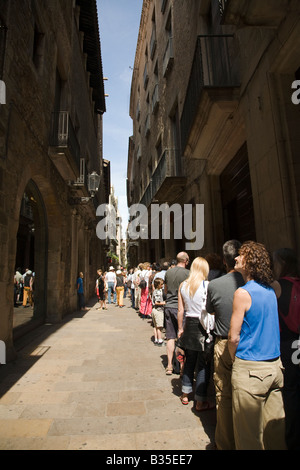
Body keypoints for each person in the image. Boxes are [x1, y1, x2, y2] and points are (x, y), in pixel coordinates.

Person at [228, 241, 286, 450]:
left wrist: (234, 359)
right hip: (275, 368)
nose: (236, 258)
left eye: (241, 255)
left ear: (250, 262)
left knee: (249, 438)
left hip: (251, 369)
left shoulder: (242, 294)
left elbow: (233, 337)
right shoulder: (273, 289)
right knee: (275, 434)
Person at [206, 240, 244, 450]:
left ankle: (226, 443)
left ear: (224, 261)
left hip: (223, 344)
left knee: (224, 395)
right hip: (249, 345)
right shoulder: (254, 282)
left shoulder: (214, 285)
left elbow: (210, 311)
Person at [272, 248, 300, 450]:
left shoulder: (277, 286)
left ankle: (291, 437)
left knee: (289, 391)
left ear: (281, 263)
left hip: (286, 343)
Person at [177, 257, 214, 410]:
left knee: (189, 361)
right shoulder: (208, 285)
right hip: (204, 327)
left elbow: (181, 311)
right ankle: (200, 400)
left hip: (189, 326)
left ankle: (185, 394)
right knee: (203, 364)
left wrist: (180, 328)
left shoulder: (183, 285)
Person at [164, 252, 190, 375]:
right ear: (186, 260)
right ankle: (181, 365)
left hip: (169, 306)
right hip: (181, 308)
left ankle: (169, 365)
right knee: (182, 337)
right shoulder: (188, 273)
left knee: (170, 337)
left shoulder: (168, 272)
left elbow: (165, 289)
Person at [152, 278, 165, 346]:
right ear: (158, 285)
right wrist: (165, 303)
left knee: (155, 326)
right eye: (161, 284)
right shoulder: (158, 291)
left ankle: (156, 339)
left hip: (154, 310)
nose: (162, 285)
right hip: (158, 310)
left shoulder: (155, 291)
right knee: (159, 326)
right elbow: (157, 302)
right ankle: (160, 340)